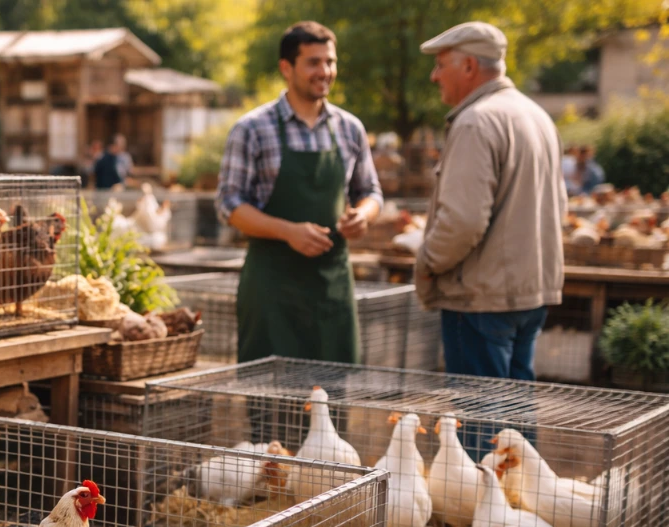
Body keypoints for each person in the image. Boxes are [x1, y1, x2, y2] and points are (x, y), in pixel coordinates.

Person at [216, 21, 383, 365]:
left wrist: (362, 216)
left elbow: (371, 191)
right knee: (270, 402)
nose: (325, 71)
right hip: (271, 289)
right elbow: (229, 204)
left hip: (332, 288)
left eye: (330, 62)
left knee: (331, 401)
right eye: (313, 62)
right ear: (286, 68)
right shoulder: (252, 129)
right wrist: (288, 232)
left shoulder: (350, 128)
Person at [414, 21, 566, 385]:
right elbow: (559, 205)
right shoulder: (536, 115)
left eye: (441, 65)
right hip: (528, 293)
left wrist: (427, 262)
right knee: (513, 418)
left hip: (481, 298)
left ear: (468, 67)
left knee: (481, 423)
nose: (435, 76)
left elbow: (463, 221)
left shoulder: (475, 122)